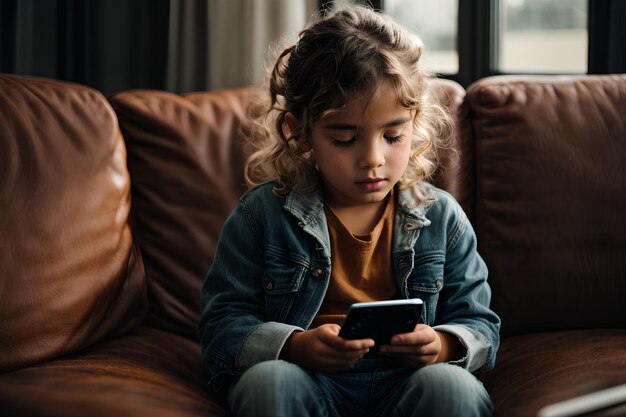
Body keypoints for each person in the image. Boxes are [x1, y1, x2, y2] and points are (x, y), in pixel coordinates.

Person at [197, 5, 500, 417]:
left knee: (452, 389)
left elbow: (480, 324)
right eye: (344, 139)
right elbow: (220, 327)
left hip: (407, 383)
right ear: (299, 133)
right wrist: (296, 346)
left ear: (415, 124)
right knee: (269, 382)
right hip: (307, 379)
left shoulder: (442, 218)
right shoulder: (261, 216)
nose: (373, 159)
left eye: (393, 135)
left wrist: (443, 344)